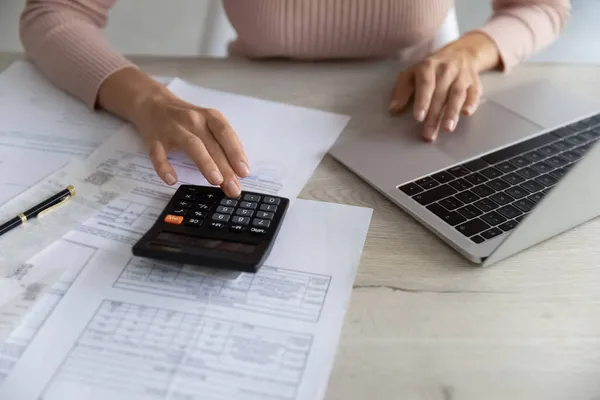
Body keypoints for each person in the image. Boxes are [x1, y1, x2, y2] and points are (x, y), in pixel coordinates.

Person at [19, 0, 570, 198]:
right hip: (247, 113)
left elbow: (543, 5)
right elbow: (54, 12)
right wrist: (146, 100)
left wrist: (470, 50)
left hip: (411, 116)